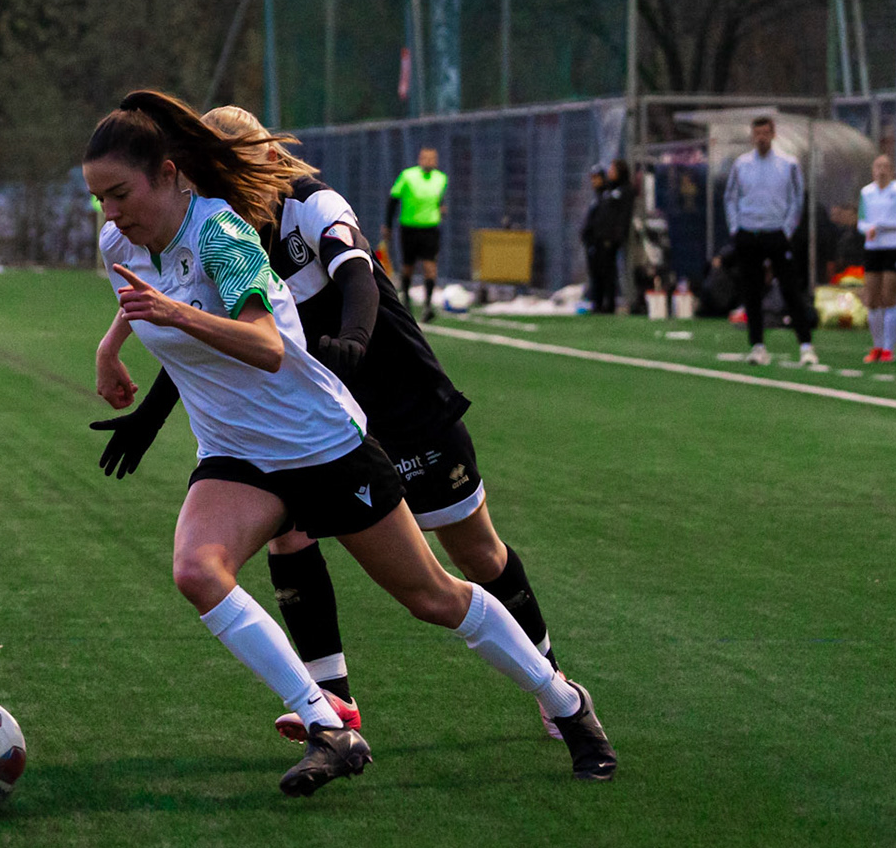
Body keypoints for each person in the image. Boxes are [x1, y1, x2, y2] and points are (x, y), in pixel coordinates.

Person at [86, 90, 617, 795]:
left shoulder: (223, 235)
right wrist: (111, 348)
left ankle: (564, 701)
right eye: (99, 198)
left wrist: (173, 316)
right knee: (197, 569)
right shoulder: (120, 241)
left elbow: (266, 345)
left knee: (433, 596)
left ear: (168, 173)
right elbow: (146, 289)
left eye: (119, 194)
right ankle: (327, 724)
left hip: (320, 443)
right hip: (237, 455)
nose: (110, 213)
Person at [723, 116, 818, 367]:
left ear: (773, 134)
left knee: (790, 289)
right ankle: (757, 345)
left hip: (776, 233)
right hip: (749, 232)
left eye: (765, 133)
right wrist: (735, 228)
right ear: (752, 136)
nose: (761, 138)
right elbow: (730, 197)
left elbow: (797, 198)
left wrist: (787, 230)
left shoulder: (788, 164)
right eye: (757, 134)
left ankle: (806, 345)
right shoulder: (741, 164)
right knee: (751, 291)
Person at [857, 154, 896, 363]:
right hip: (873, 248)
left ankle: (889, 348)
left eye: (886, 166)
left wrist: (883, 226)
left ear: (892, 170)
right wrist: (869, 229)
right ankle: (877, 346)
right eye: (878, 166)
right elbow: (861, 222)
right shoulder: (867, 192)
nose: (881, 170)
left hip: (894, 247)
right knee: (872, 299)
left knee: (889, 296)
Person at [387, 147, 447, 321]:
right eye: (425, 158)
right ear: (420, 159)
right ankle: (406, 301)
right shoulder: (408, 176)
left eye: (432, 158)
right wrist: (388, 225)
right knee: (408, 267)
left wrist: (441, 208)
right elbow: (393, 200)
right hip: (409, 228)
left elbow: (439, 199)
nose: (429, 161)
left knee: (430, 266)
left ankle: (428, 305)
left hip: (430, 228)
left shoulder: (441, 178)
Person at [581, 161, 635, 315]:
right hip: (596, 239)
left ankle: (609, 304)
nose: (610, 173)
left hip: (609, 239)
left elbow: (620, 217)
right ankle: (597, 303)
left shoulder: (624, 191)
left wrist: (614, 237)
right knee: (596, 272)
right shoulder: (605, 192)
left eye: (613, 170)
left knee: (608, 272)